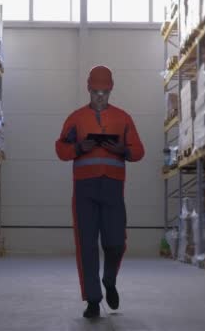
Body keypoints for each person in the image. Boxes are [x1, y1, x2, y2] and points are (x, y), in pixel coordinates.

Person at [55, 65, 145, 318]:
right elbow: (60, 149)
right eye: (96, 91)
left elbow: (139, 151)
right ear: (89, 89)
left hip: (113, 188)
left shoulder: (123, 118)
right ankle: (93, 301)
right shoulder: (75, 119)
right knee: (86, 245)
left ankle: (109, 280)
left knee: (116, 242)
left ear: (111, 90)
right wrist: (79, 148)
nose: (100, 96)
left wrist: (122, 150)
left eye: (104, 92)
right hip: (84, 188)